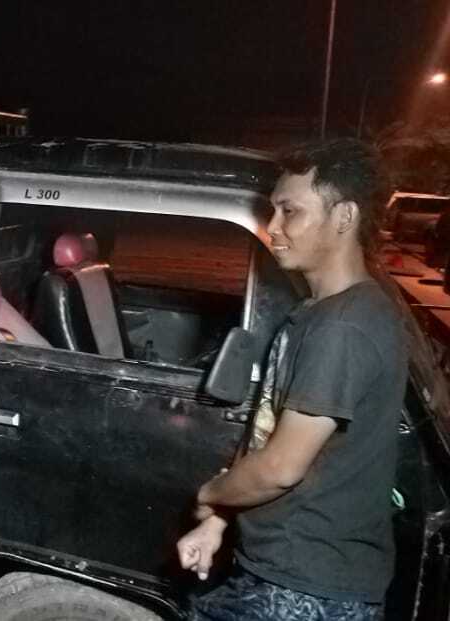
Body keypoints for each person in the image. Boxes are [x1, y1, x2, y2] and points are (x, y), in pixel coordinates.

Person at [176, 138, 405, 620]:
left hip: (307, 589)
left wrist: (208, 496)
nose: (273, 227)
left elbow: (280, 467)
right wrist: (218, 522)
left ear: (344, 216)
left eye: (290, 211)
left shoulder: (343, 327)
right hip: (284, 572)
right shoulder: (318, 313)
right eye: (273, 211)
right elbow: (266, 431)